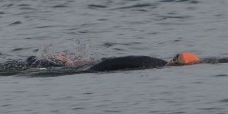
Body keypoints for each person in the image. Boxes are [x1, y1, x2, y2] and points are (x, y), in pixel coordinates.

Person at [25, 51, 200, 72]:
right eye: (175, 57)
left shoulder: (155, 64)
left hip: (101, 66)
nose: (172, 60)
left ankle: (66, 63)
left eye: (176, 60)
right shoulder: (155, 64)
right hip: (101, 65)